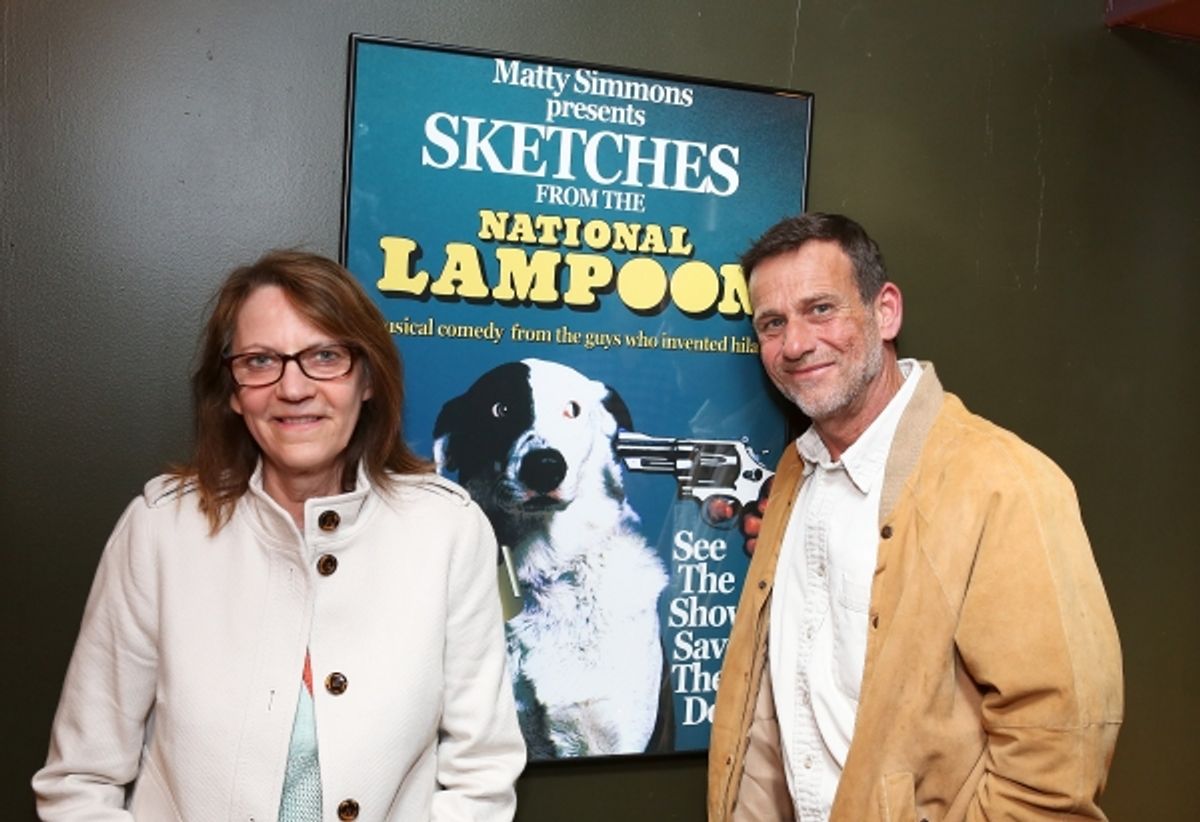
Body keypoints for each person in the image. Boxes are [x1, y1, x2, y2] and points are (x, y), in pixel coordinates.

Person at [33, 251, 526, 821]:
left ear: (367, 378)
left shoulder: (449, 530)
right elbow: (79, 781)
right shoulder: (159, 531)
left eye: (324, 356)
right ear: (234, 391)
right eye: (261, 360)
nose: (293, 388)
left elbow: (482, 775)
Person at [708, 214, 1122, 821]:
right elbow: (777, 705)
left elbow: (1057, 746)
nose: (794, 344)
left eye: (821, 309)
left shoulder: (1005, 482)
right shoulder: (797, 470)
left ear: (886, 312)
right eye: (773, 323)